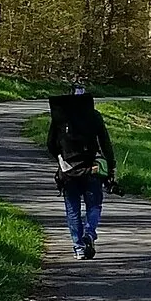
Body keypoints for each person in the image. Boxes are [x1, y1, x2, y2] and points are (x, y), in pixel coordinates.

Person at [46, 85, 117, 259]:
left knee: (73, 209)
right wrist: (111, 165)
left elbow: (50, 144)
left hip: (68, 170)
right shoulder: (94, 116)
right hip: (91, 167)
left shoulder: (60, 117)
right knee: (94, 204)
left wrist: (61, 157)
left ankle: (78, 248)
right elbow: (105, 143)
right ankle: (90, 233)